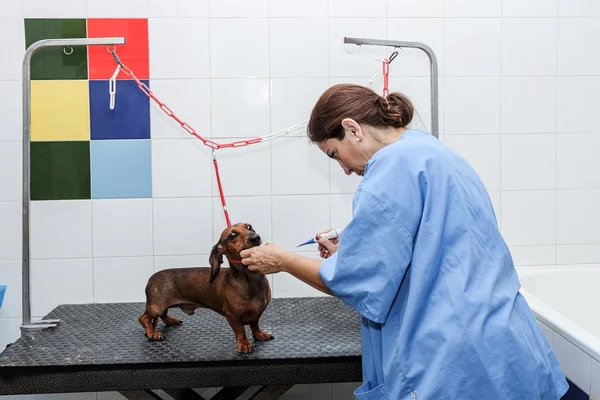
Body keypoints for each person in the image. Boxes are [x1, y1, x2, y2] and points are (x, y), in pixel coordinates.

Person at [240, 84, 569, 399]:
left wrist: (283, 260)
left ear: (353, 129)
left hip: (453, 358)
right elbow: (438, 245)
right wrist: (352, 250)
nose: (343, 168)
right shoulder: (433, 152)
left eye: (334, 154)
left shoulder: (390, 168)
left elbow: (355, 282)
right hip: (507, 342)